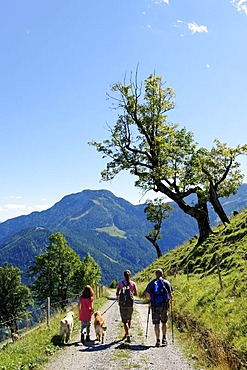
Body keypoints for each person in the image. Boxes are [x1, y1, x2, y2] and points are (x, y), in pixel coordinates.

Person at [145, 268, 173, 347]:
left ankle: (157, 340)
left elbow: (147, 295)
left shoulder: (152, 283)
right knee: (164, 322)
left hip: (155, 306)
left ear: (155, 274)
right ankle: (164, 338)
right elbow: (170, 296)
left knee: (156, 323)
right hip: (164, 305)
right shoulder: (166, 283)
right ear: (162, 274)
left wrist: (151, 299)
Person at [116, 269, 137, 343]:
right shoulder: (133, 284)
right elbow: (135, 294)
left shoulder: (120, 283)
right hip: (130, 304)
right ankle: (127, 332)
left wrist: (118, 298)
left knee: (124, 321)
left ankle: (127, 334)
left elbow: (117, 292)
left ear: (124, 275)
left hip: (122, 304)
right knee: (129, 319)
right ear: (130, 275)